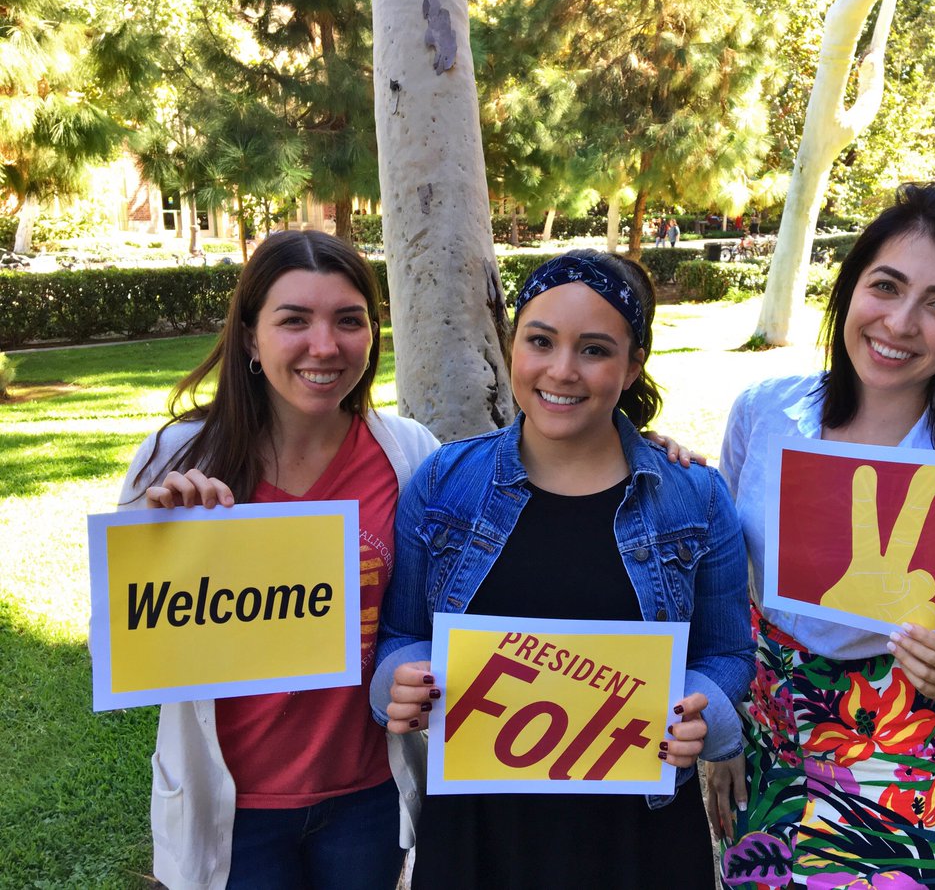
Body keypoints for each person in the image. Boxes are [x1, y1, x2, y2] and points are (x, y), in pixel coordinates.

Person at [372, 249, 755, 889]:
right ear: (512, 345)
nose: (562, 370)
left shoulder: (695, 497)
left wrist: (703, 714)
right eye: (541, 341)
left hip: (638, 834)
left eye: (595, 350)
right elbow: (401, 635)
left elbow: (727, 654)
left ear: (634, 365)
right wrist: (398, 683)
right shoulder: (444, 483)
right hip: (478, 832)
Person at [708, 183, 935, 887]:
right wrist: (723, 736)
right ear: (852, 287)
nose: (901, 323)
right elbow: (721, 569)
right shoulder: (765, 414)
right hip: (766, 721)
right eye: (886, 286)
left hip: (893, 743)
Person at [117, 230, 439, 889]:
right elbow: (115, 651)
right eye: (294, 320)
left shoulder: (410, 455)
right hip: (235, 811)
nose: (325, 346)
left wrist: (632, 444)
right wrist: (159, 545)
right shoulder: (175, 459)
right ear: (248, 337)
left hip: (367, 798)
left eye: (349, 321)